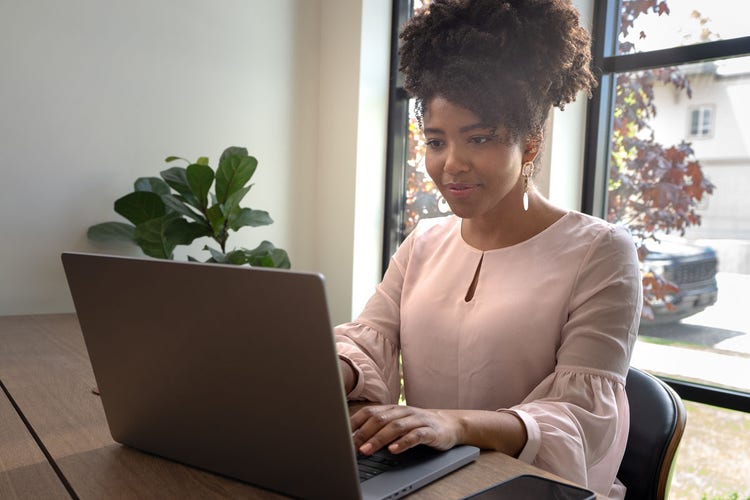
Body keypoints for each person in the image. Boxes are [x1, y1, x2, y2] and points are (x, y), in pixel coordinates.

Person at [335, 0, 642, 498]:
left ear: (532, 143)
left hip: (532, 487)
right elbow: (370, 342)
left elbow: (580, 421)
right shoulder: (424, 242)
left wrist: (455, 424)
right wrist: (333, 366)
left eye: (478, 139)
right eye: (436, 141)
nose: (451, 164)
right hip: (429, 479)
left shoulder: (601, 252)